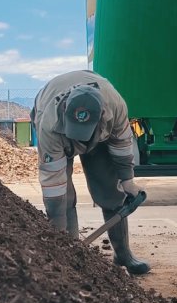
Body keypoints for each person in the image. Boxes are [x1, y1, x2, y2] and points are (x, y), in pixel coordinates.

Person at [31, 70, 150, 275]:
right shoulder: (48, 124)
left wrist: (127, 180)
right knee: (62, 199)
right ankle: (68, 257)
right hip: (58, 132)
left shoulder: (115, 106)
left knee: (111, 192)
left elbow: (121, 145)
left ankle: (123, 254)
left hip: (100, 136)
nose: (81, 141)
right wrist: (58, 234)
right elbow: (53, 184)